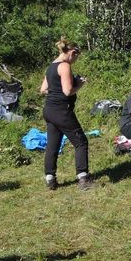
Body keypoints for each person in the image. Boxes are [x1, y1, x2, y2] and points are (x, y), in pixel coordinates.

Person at [39, 36, 93, 192]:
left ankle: (50, 179)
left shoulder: (51, 66)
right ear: (72, 52)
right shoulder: (64, 66)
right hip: (62, 110)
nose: (76, 59)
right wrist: (79, 85)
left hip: (49, 110)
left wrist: (56, 90)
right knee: (81, 141)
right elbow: (67, 91)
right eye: (76, 55)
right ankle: (83, 178)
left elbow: (43, 90)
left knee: (52, 144)